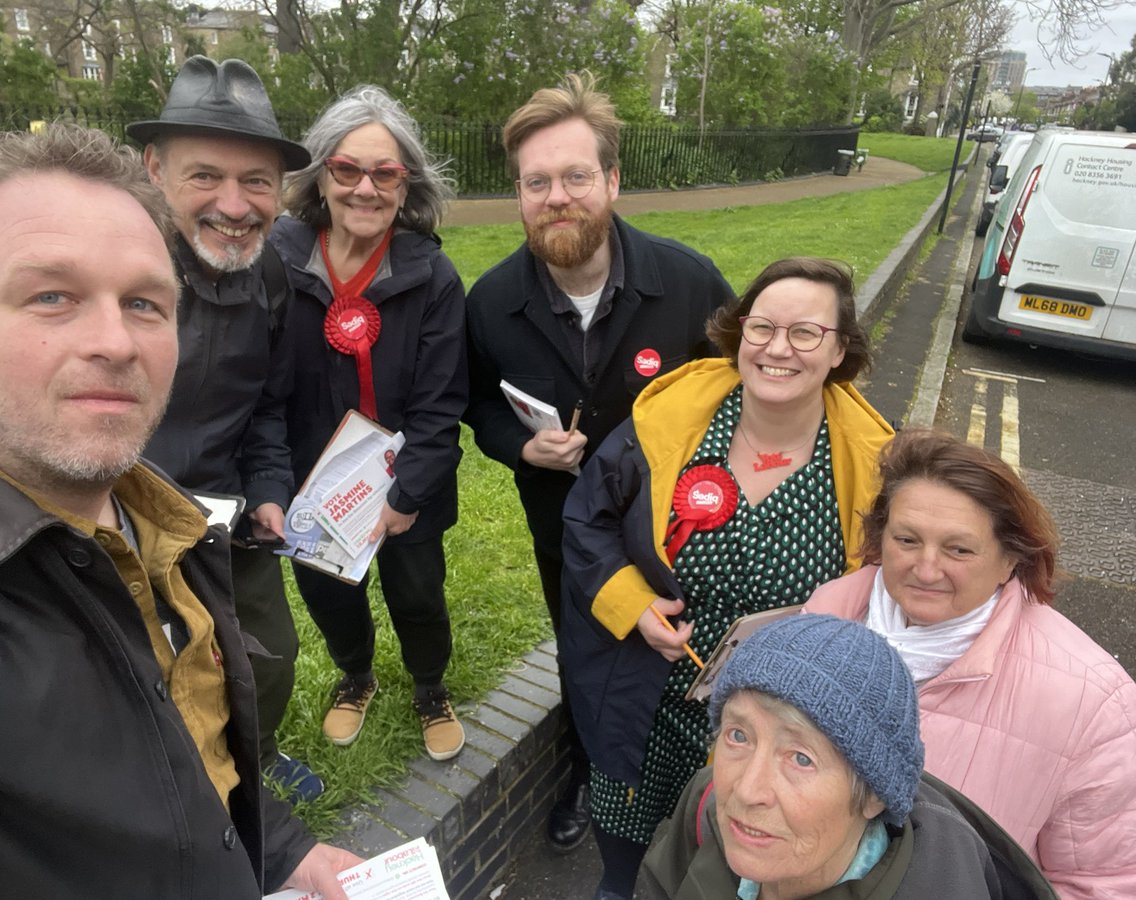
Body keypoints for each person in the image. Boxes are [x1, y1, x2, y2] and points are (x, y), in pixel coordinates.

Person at [0, 123, 358, 897]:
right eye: (51, 296)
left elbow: (185, 751)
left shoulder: (165, 529)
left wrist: (286, 852)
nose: (115, 342)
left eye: (143, 303)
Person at [560, 257, 894, 898]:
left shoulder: (872, 463)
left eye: (805, 334)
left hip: (778, 735)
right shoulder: (669, 420)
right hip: (647, 707)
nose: (777, 348)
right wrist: (631, 604)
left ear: (839, 351)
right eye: (761, 326)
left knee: (734, 880)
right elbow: (587, 522)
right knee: (626, 876)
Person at [463, 72, 734, 853]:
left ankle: (699, 787)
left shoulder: (687, 282)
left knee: (693, 654)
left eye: (577, 176)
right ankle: (590, 770)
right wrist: (518, 445)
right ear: (518, 193)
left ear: (612, 181)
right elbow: (474, 406)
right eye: (537, 181)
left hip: (688, 530)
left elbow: (739, 390)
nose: (558, 197)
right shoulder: (489, 304)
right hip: (565, 536)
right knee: (584, 656)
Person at [805, 429, 1136, 899]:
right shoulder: (824, 613)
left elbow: (1106, 884)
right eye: (907, 539)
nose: (926, 568)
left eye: (958, 549)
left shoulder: (1094, 701)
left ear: (1009, 561)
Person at [126, 57, 320, 801]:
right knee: (147, 665)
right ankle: (171, 783)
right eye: (205, 176)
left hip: (227, 518)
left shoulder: (272, 278)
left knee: (267, 659)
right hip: (114, 512)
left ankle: (252, 760)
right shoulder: (118, 268)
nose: (235, 206)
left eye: (258, 182)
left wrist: (270, 492)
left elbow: (266, 406)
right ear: (154, 168)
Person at [269, 85, 467, 761]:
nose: (365, 188)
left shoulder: (433, 275)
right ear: (321, 173)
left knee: (417, 592)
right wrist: (280, 482)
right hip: (310, 486)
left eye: (385, 173)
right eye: (348, 169)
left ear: (405, 184)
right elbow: (261, 386)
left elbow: (443, 403)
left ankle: (430, 687)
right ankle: (356, 676)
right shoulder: (278, 261)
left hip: (409, 484)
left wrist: (407, 495)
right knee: (329, 593)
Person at [641, 614, 1057, 899]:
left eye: (800, 758)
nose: (746, 790)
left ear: (874, 794)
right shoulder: (708, 803)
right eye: (738, 735)